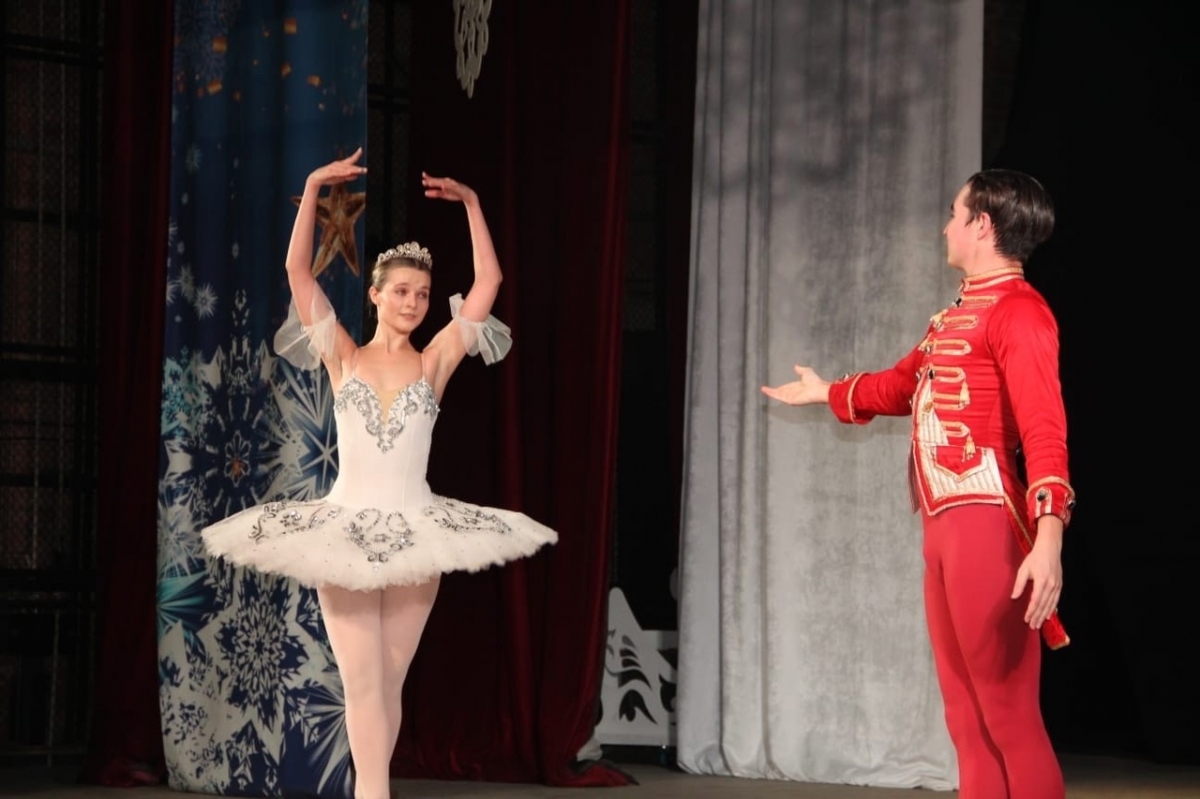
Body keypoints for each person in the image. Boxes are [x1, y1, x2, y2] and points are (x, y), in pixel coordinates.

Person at [202, 149, 557, 799]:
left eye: (422, 294)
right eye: (401, 291)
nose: (414, 302)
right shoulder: (343, 354)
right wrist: (313, 185)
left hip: (418, 532)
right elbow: (296, 271)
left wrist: (474, 204)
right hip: (344, 530)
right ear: (375, 295)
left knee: (387, 684)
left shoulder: (434, 362)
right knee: (363, 685)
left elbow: (489, 282)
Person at [761, 169, 1074, 799]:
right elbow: (903, 385)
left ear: (982, 225)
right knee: (966, 720)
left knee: (1007, 715)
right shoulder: (956, 315)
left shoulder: (1020, 313)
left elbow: (1045, 430)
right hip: (945, 529)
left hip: (987, 525)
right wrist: (828, 391)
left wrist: (1048, 541)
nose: (945, 226)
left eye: (955, 214)